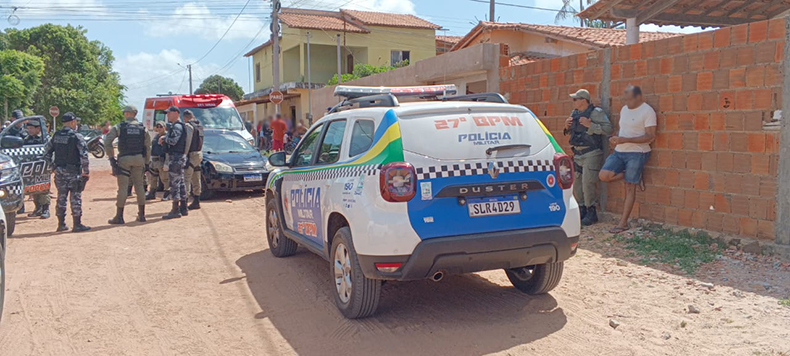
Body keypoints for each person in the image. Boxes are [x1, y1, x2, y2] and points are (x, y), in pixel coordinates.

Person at [599, 85, 657, 233]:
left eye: (630, 99)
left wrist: (625, 140)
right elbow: (623, 129)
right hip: (620, 151)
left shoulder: (647, 111)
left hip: (637, 152)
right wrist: (617, 138)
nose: (627, 102)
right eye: (626, 100)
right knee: (604, 176)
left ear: (639, 97)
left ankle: (623, 223)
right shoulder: (624, 109)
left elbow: (650, 136)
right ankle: (633, 176)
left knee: (629, 187)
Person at [563, 89, 612, 226]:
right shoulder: (575, 114)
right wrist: (566, 126)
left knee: (587, 184)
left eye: (575, 99)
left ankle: (591, 211)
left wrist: (590, 125)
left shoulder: (596, 113)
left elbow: (608, 129)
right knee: (577, 184)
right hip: (578, 153)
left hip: (591, 153)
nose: (573, 102)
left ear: (583, 100)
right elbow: (570, 132)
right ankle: (582, 209)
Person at [42, 112, 91, 232]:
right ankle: (77, 224)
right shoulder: (76, 137)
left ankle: (61, 224)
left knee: (61, 196)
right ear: (73, 122)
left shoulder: (56, 135)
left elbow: (46, 152)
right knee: (75, 197)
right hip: (74, 171)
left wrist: (52, 167)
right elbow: (84, 155)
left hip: (59, 171)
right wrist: (86, 171)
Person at [105, 105, 151, 224]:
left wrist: (111, 158)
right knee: (139, 186)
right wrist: (147, 162)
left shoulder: (120, 127)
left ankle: (119, 216)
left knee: (123, 188)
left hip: (124, 159)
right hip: (139, 159)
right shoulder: (143, 128)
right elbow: (148, 146)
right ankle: (142, 215)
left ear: (127, 114)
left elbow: (107, 141)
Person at [161, 106, 188, 219]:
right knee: (181, 182)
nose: (167, 115)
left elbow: (173, 141)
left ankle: (175, 210)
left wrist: (163, 139)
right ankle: (183, 207)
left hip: (176, 158)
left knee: (174, 184)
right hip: (179, 157)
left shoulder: (177, 126)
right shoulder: (178, 126)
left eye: (169, 113)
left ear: (176, 113)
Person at [23, 120, 51, 219]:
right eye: (28, 128)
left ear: (38, 129)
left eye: (31, 128)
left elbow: (49, 150)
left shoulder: (44, 139)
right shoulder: (26, 139)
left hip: (42, 167)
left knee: (43, 187)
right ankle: (37, 208)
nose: (29, 130)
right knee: (33, 188)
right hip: (31, 167)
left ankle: (45, 209)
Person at [183, 110, 204, 210]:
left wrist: (184, 155)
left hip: (191, 155)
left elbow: (188, 141)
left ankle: (184, 203)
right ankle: (196, 200)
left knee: (187, 178)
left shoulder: (189, 126)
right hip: (199, 154)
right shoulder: (199, 126)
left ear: (185, 117)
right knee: (196, 178)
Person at [145, 122, 169, 201]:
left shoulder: (166, 137)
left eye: (161, 126)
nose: (159, 128)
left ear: (165, 127)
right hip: (154, 161)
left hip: (162, 160)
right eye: (157, 126)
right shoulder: (156, 137)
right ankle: (152, 193)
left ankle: (166, 194)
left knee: (165, 179)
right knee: (153, 178)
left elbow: (168, 151)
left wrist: (167, 163)